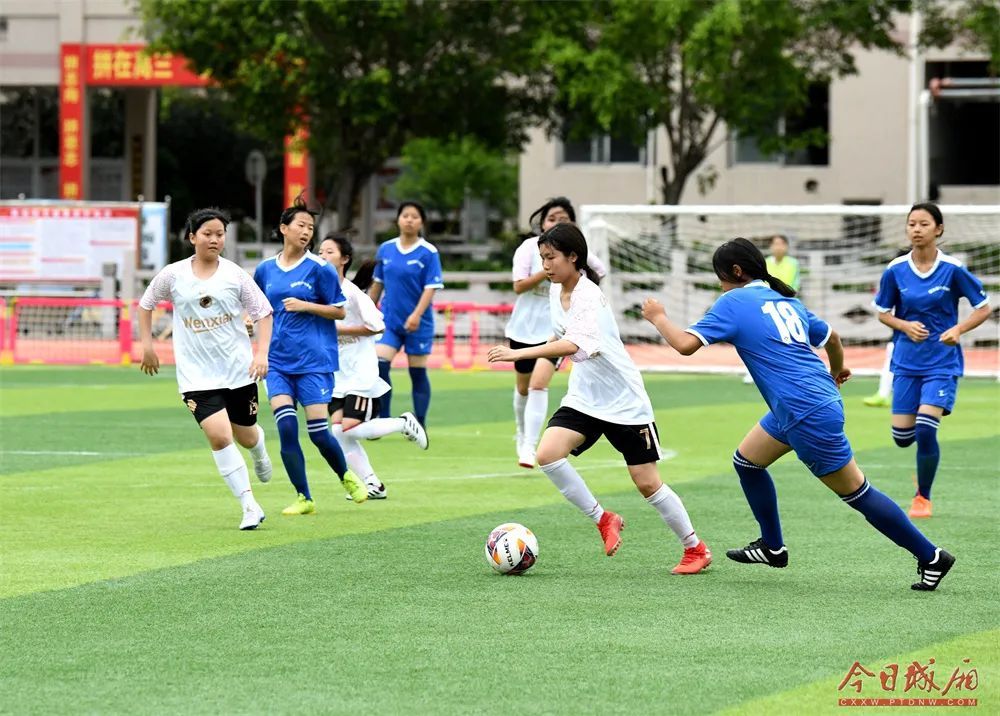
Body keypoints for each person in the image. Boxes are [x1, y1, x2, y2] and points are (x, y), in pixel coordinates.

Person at [642, 237, 956, 591]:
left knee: (858, 492)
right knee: (747, 461)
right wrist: (837, 372)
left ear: (735, 272)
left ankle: (930, 556)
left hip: (804, 410)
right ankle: (773, 547)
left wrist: (658, 317)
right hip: (808, 402)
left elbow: (685, 345)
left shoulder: (733, 301)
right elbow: (833, 339)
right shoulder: (785, 300)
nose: (719, 285)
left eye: (720, 277)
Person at [488, 223, 711, 575]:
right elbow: (562, 335)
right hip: (585, 397)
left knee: (647, 483)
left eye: (551, 258)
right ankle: (603, 518)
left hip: (624, 401)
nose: (545, 265)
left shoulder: (588, 295)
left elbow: (576, 344)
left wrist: (520, 355)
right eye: (542, 258)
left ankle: (695, 548)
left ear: (573, 257)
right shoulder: (554, 290)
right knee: (547, 454)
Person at [138, 207, 273, 530]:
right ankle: (249, 505)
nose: (214, 239)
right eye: (208, 233)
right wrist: (147, 346)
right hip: (196, 376)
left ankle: (260, 450)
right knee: (218, 436)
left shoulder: (236, 275)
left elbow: (264, 313)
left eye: (220, 234)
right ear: (192, 237)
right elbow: (146, 305)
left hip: (239, 371)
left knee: (246, 436)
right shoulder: (173, 275)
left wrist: (261, 354)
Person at [872, 202, 991, 518]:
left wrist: (959, 328)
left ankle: (922, 497)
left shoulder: (952, 268)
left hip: (941, 361)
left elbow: (984, 307)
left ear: (938, 229)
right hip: (906, 362)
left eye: (924, 224)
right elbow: (883, 313)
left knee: (926, 429)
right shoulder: (895, 269)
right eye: (912, 224)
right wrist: (904, 325)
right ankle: (921, 462)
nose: (916, 229)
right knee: (901, 438)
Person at [253, 198, 368, 515]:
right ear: (283, 229)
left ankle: (346, 475)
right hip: (277, 362)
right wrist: (250, 324)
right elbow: (257, 309)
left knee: (318, 432)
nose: (306, 232)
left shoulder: (321, 270)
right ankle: (304, 497)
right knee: (287, 428)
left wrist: (306, 306)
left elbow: (339, 310)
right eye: (300, 226)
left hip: (314, 363)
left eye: (311, 228)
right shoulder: (265, 270)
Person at [317, 234, 429, 501]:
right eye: (320, 251)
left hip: (360, 373)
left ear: (344, 259)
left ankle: (402, 423)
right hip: (336, 375)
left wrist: (339, 330)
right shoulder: (317, 293)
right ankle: (373, 484)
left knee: (349, 428)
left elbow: (377, 326)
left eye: (329, 252)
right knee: (337, 432)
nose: (322, 256)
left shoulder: (354, 294)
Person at [505, 197, 607, 468]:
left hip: (558, 330)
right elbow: (518, 286)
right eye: (552, 219)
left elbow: (600, 270)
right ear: (542, 222)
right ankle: (521, 429)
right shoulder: (529, 249)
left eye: (564, 219)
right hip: (524, 328)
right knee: (523, 387)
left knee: (540, 383)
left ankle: (529, 447)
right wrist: (548, 269)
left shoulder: (572, 252)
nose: (557, 223)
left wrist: (572, 279)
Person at [368, 201, 444, 427]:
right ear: (398, 219)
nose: (409, 220)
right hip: (389, 321)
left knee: (417, 372)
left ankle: (419, 422)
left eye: (415, 216)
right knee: (380, 366)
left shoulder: (428, 252)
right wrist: (367, 312)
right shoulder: (386, 249)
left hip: (418, 323)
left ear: (421, 222)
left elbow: (431, 287)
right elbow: (377, 284)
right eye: (405, 215)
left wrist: (416, 315)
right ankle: (384, 419)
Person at [744, 234, 801, 385]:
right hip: (764, 305)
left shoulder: (793, 263)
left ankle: (789, 371)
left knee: (788, 339)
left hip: (785, 305)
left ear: (787, 247)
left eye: (781, 244)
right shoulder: (766, 262)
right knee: (757, 336)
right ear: (770, 247)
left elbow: (794, 285)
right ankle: (753, 372)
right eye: (775, 244)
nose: (778, 247)